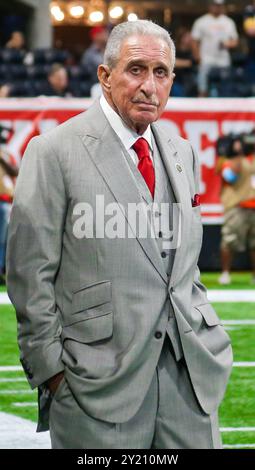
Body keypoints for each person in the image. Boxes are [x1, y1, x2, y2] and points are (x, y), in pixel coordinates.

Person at [6, 20, 233, 449]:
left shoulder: (181, 151)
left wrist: (207, 334)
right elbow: (27, 275)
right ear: (105, 77)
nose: (150, 85)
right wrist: (54, 374)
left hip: (189, 383)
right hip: (95, 387)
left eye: (161, 72)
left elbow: (183, 266)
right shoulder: (53, 151)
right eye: (136, 69)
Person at [216, 136, 255, 285]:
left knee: (254, 244)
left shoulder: (252, 160)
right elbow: (230, 178)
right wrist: (238, 154)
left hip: (253, 206)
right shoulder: (228, 162)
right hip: (237, 206)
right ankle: (225, 273)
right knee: (229, 240)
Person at [191, 0, 238, 97]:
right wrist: (198, 58)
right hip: (206, 59)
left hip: (223, 60)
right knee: (202, 87)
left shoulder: (228, 22)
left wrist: (227, 44)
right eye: (215, 5)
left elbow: (235, 41)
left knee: (225, 89)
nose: (217, 7)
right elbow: (194, 41)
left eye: (219, 5)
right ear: (210, 6)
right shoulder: (201, 21)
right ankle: (201, 106)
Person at [0, 146, 18, 284]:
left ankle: (1, 270)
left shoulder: (4, 154)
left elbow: (14, 171)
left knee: (3, 239)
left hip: (3, 200)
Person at [80, 26, 109, 91]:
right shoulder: (89, 54)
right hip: (96, 87)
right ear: (95, 36)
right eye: (102, 33)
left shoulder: (109, 50)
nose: (105, 35)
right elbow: (88, 75)